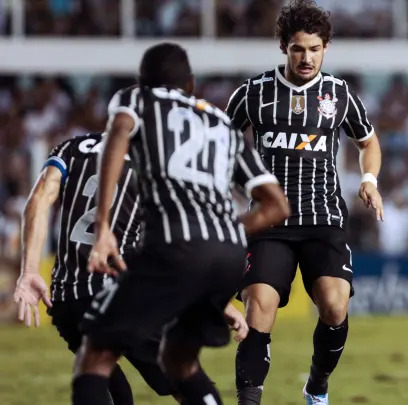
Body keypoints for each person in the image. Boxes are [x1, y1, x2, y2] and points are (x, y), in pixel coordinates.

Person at [71, 42, 289, 405]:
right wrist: (222, 231)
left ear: (144, 81)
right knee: (180, 359)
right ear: (190, 83)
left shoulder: (138, 100)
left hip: (173, 245)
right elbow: (278, 205)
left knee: (97, 353)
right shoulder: (222, 122)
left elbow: (120, 129)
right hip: (229, 256)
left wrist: (105, 223)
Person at [225, 1, 384, 404]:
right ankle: (249, 400)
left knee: (334, 307)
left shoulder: (339, 93)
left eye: (314, 49)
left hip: (323, 217)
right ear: (284, 47)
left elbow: (367, 141)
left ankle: (316, 386)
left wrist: (369, 179)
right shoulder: (253, 93)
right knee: (259, 308)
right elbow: (220, 143)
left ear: (326, 47)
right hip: (268, 221)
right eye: (298, 49)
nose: (306, 57)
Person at [13, 132, 179, 404]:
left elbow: (39, 198)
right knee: (185, 378)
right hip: (117, 296)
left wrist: (30, 270)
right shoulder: (156, 161)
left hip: (67, 299)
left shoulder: (72, 147)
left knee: (111, 388)